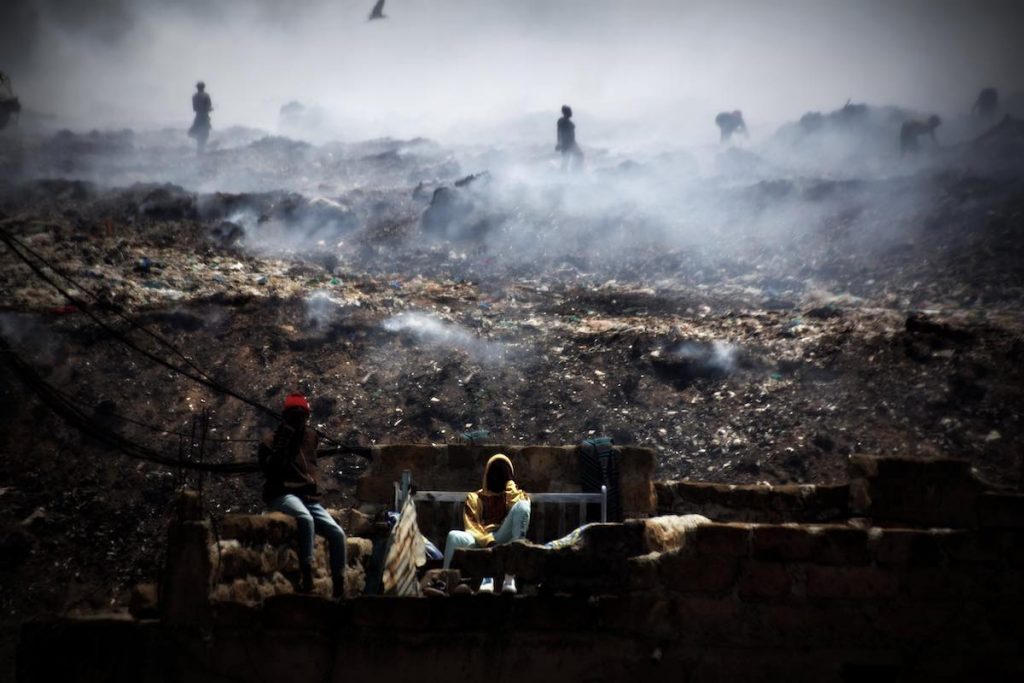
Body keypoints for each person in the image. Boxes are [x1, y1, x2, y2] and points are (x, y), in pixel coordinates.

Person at [258, 393, 347, 598]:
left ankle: (339, 587)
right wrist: (283, 445)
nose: (299, 420)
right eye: (294, 415)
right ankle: (306, 575)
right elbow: (271, 470)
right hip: (283, 492)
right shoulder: (270, 442)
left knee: (337, 534)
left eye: (302, 416)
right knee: (305, 519)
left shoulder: (310, 437)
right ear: (285, 417)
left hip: (308, 496)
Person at [442, 454, 530, 594]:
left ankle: (510, 576)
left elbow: (520, 511)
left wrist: (510, 486)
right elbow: (472, 525)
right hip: (482, 539)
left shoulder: (517, 496)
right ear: (487, 474)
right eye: (494, 471)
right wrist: (488, 541)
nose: (497, 476)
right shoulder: (475, 497)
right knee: (453, 536)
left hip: (505, 537)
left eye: (502, 472)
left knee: (524, 505)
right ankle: (445, 584)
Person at [556, 105, 584, 171]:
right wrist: (559, 143)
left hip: (572, 143)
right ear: (566, 112)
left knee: (579, 155)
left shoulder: (569, 122)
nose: (571, 112)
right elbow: (559, 132)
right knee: (566, 160)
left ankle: (575, 170)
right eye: (570, 111)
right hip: (566, 143)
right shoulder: (562, 121)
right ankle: (564, 174)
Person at [188, 81, 213, 154]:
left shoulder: (194, 96)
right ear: (203, 87)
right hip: (204, 117)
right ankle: (202, 152)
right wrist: (210, 109)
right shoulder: (206, 96)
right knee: (204, 135)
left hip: (198, 117)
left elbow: (194, 109)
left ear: (197, 88)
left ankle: (199, 152)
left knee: (195, 134)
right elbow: (209, 107)